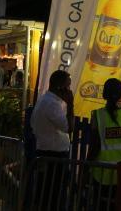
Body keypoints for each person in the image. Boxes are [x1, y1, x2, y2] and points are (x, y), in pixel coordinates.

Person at [30, 70, 74, 203]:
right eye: (68, 86)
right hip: (53, 154)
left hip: (48, 151)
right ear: (60, 87)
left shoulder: (46, 99)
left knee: (46, 191)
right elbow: (69, 128)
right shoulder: (52, 104)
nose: (70, 91)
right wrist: (71, 104)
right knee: (52, 193)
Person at [88, 78, 121, 188]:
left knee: (101, 205)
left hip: (102, 174)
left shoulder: (98, 115)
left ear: (104, 94)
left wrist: (85, 169)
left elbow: (95, 147)